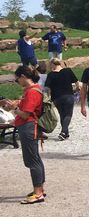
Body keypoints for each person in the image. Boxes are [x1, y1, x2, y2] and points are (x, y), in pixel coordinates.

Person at [1, 65, 46, 203]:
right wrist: (16, 104)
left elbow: (26, 115)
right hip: (28, 126)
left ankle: (38, 193)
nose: (17, 82)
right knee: (35, 158)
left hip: (28, 127)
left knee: (31, 160)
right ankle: (40, 189)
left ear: (23, 76)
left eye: (17, 79)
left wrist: (14, 108)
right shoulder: (33, 89)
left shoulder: (32, 92)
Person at [44, 58, 78, 141]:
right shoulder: (68, 71)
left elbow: (47, 88)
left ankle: (66, 133)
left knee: (62, 114)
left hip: (57, 98)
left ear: (53, 64)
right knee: (68, 114)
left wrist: (47, 97)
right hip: (68, 95)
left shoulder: (50, 75)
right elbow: (76, 82)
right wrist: (77, 89)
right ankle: (63, 132)